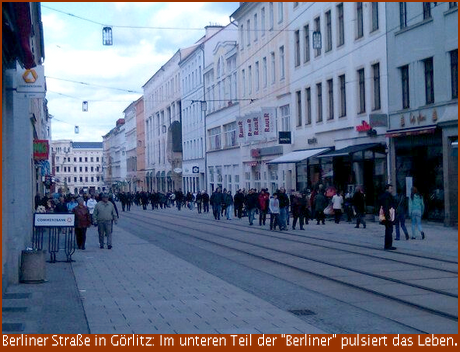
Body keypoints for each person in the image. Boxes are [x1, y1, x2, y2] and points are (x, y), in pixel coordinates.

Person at [379, 184, 396, 250]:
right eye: (390, 188)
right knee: (389, 230)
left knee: (388, 230)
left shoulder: (384, 196)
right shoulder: (387, 196)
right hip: (388, 215)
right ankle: (388, 245)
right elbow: (386, 207)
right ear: (387, 189)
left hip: (385, 215)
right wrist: (388, 216)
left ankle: (387, 245)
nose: (391, 190)